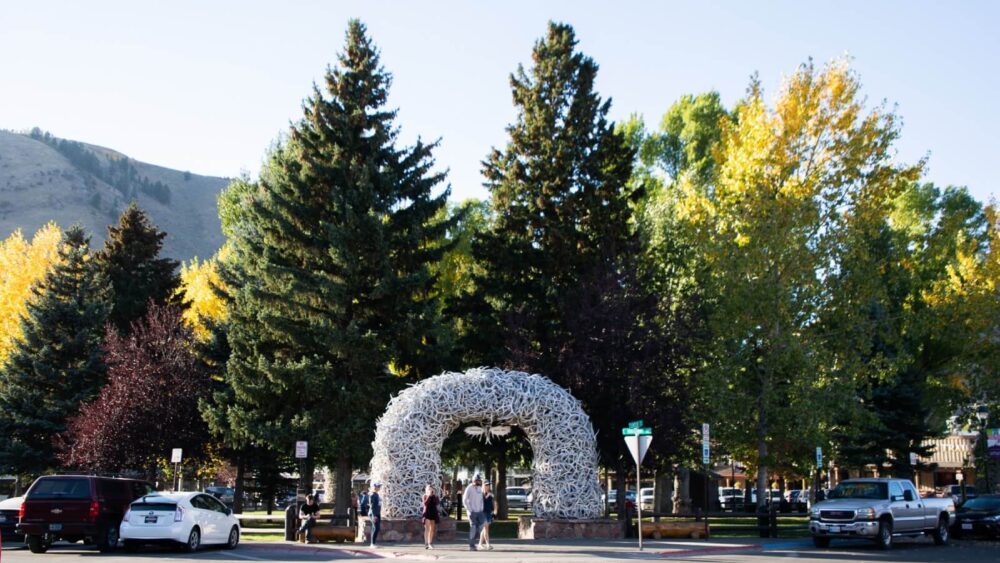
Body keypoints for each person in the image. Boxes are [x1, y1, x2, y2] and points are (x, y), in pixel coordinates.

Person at [463, 474, 485, 551]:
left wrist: (481, 508)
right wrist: (469, 509)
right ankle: (471, 545)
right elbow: (464, 500)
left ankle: (472, 538)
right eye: (478, 480)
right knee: (473, 527)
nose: (479, 481)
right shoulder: (469, 488)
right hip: (472, 512)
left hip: (479, 511)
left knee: (482, 524)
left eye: (479, 480)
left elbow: (481, 499)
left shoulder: (479, 488)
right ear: (474, 480)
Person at [421, 484, 440, 549]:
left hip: (433, 513)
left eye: (431, 489)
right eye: (429, 489)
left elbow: (437, 503)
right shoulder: (425, 496)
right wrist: (429, 496)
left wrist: (434, 495)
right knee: (427, 528)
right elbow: (425, 504)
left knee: (432, 529)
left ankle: (430, 542)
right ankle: (426, 543)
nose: (431, 491)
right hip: (427, 513)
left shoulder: (435, 496)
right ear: (427, 490)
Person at [478, 481, 495, 550]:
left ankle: (480, 544)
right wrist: (487, 496)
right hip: (482, 512)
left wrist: (492, 511)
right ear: (483, 486)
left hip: (488, 512)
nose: (487, 487)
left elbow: (491, 504)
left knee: (484, 529)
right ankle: (488, 544)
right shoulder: (481, 494)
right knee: (486, 528)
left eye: (488, 485)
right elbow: (481, 502)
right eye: (486, 485)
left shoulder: (490, 494)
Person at [368, 483, 382, 548]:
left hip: (377, 513)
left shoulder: (376, 494)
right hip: (374, 513)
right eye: (378, 486)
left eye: (379, 486)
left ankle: (373, 543)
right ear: (375, 487)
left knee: (376, 528)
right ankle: (372, 544)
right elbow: (372, 506)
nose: (379, 487)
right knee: (376, 528)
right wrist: (374, 515)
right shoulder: (373, 495)